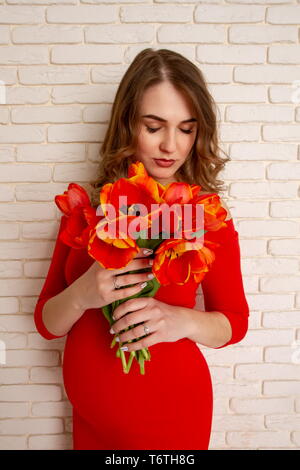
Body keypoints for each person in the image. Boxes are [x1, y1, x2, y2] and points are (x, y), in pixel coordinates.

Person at [33, 48, 249, 450]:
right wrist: (83, 293)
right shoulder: (85, 210)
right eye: (154, 127)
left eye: (186, 129)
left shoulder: (205, 216)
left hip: (171, 420)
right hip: (91, 425)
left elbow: (235, 321)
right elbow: (46, 323)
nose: (171, 145)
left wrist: (181, 320)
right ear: (126, 123)